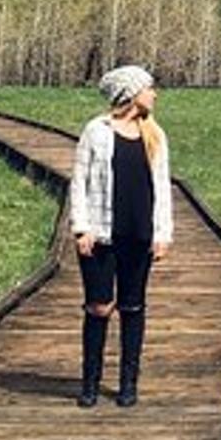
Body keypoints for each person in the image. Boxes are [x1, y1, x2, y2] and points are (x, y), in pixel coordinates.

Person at [71, 65, 174, 408]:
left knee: (133, 307)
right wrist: (81, 227)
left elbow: (162, 189)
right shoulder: (96, 131)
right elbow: (79, 182)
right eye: (149, 88)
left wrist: (162, 234)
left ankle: (128, 382)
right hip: (101, 236)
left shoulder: (155, 135)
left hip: (139, 236)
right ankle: (90, 382)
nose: (155, 94)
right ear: (131, 94)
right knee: (99, 307)